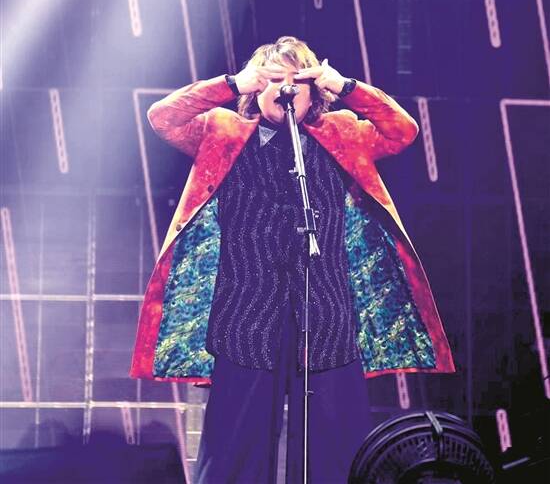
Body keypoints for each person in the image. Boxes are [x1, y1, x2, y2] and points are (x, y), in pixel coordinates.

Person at [130, 36, 454, 483]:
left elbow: (402, 130)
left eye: (296, 81)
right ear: (255, 87)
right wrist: (231, 83)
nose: (285, 90)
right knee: (234, 453)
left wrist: (344, 86)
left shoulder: (340, 132)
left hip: (326, 315)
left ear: (313, 91)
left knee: (336, 453)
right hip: (245, 316)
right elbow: (162, 117)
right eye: (272, 80)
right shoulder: (223, 132)